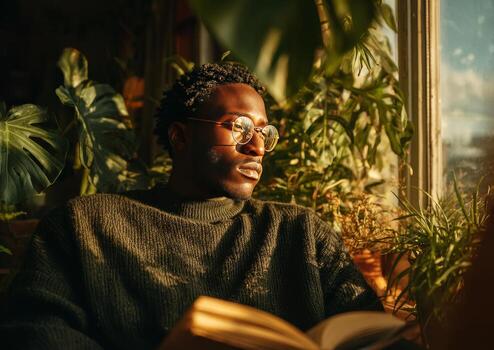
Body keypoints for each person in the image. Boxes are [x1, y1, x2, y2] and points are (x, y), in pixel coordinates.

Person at [0, 62, 382, 349]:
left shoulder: (301, 232)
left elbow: (372, 330)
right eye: (240, 127)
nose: (258, 147)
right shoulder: (86, 224)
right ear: (181, 137)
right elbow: (35, 332)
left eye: (264, 132)